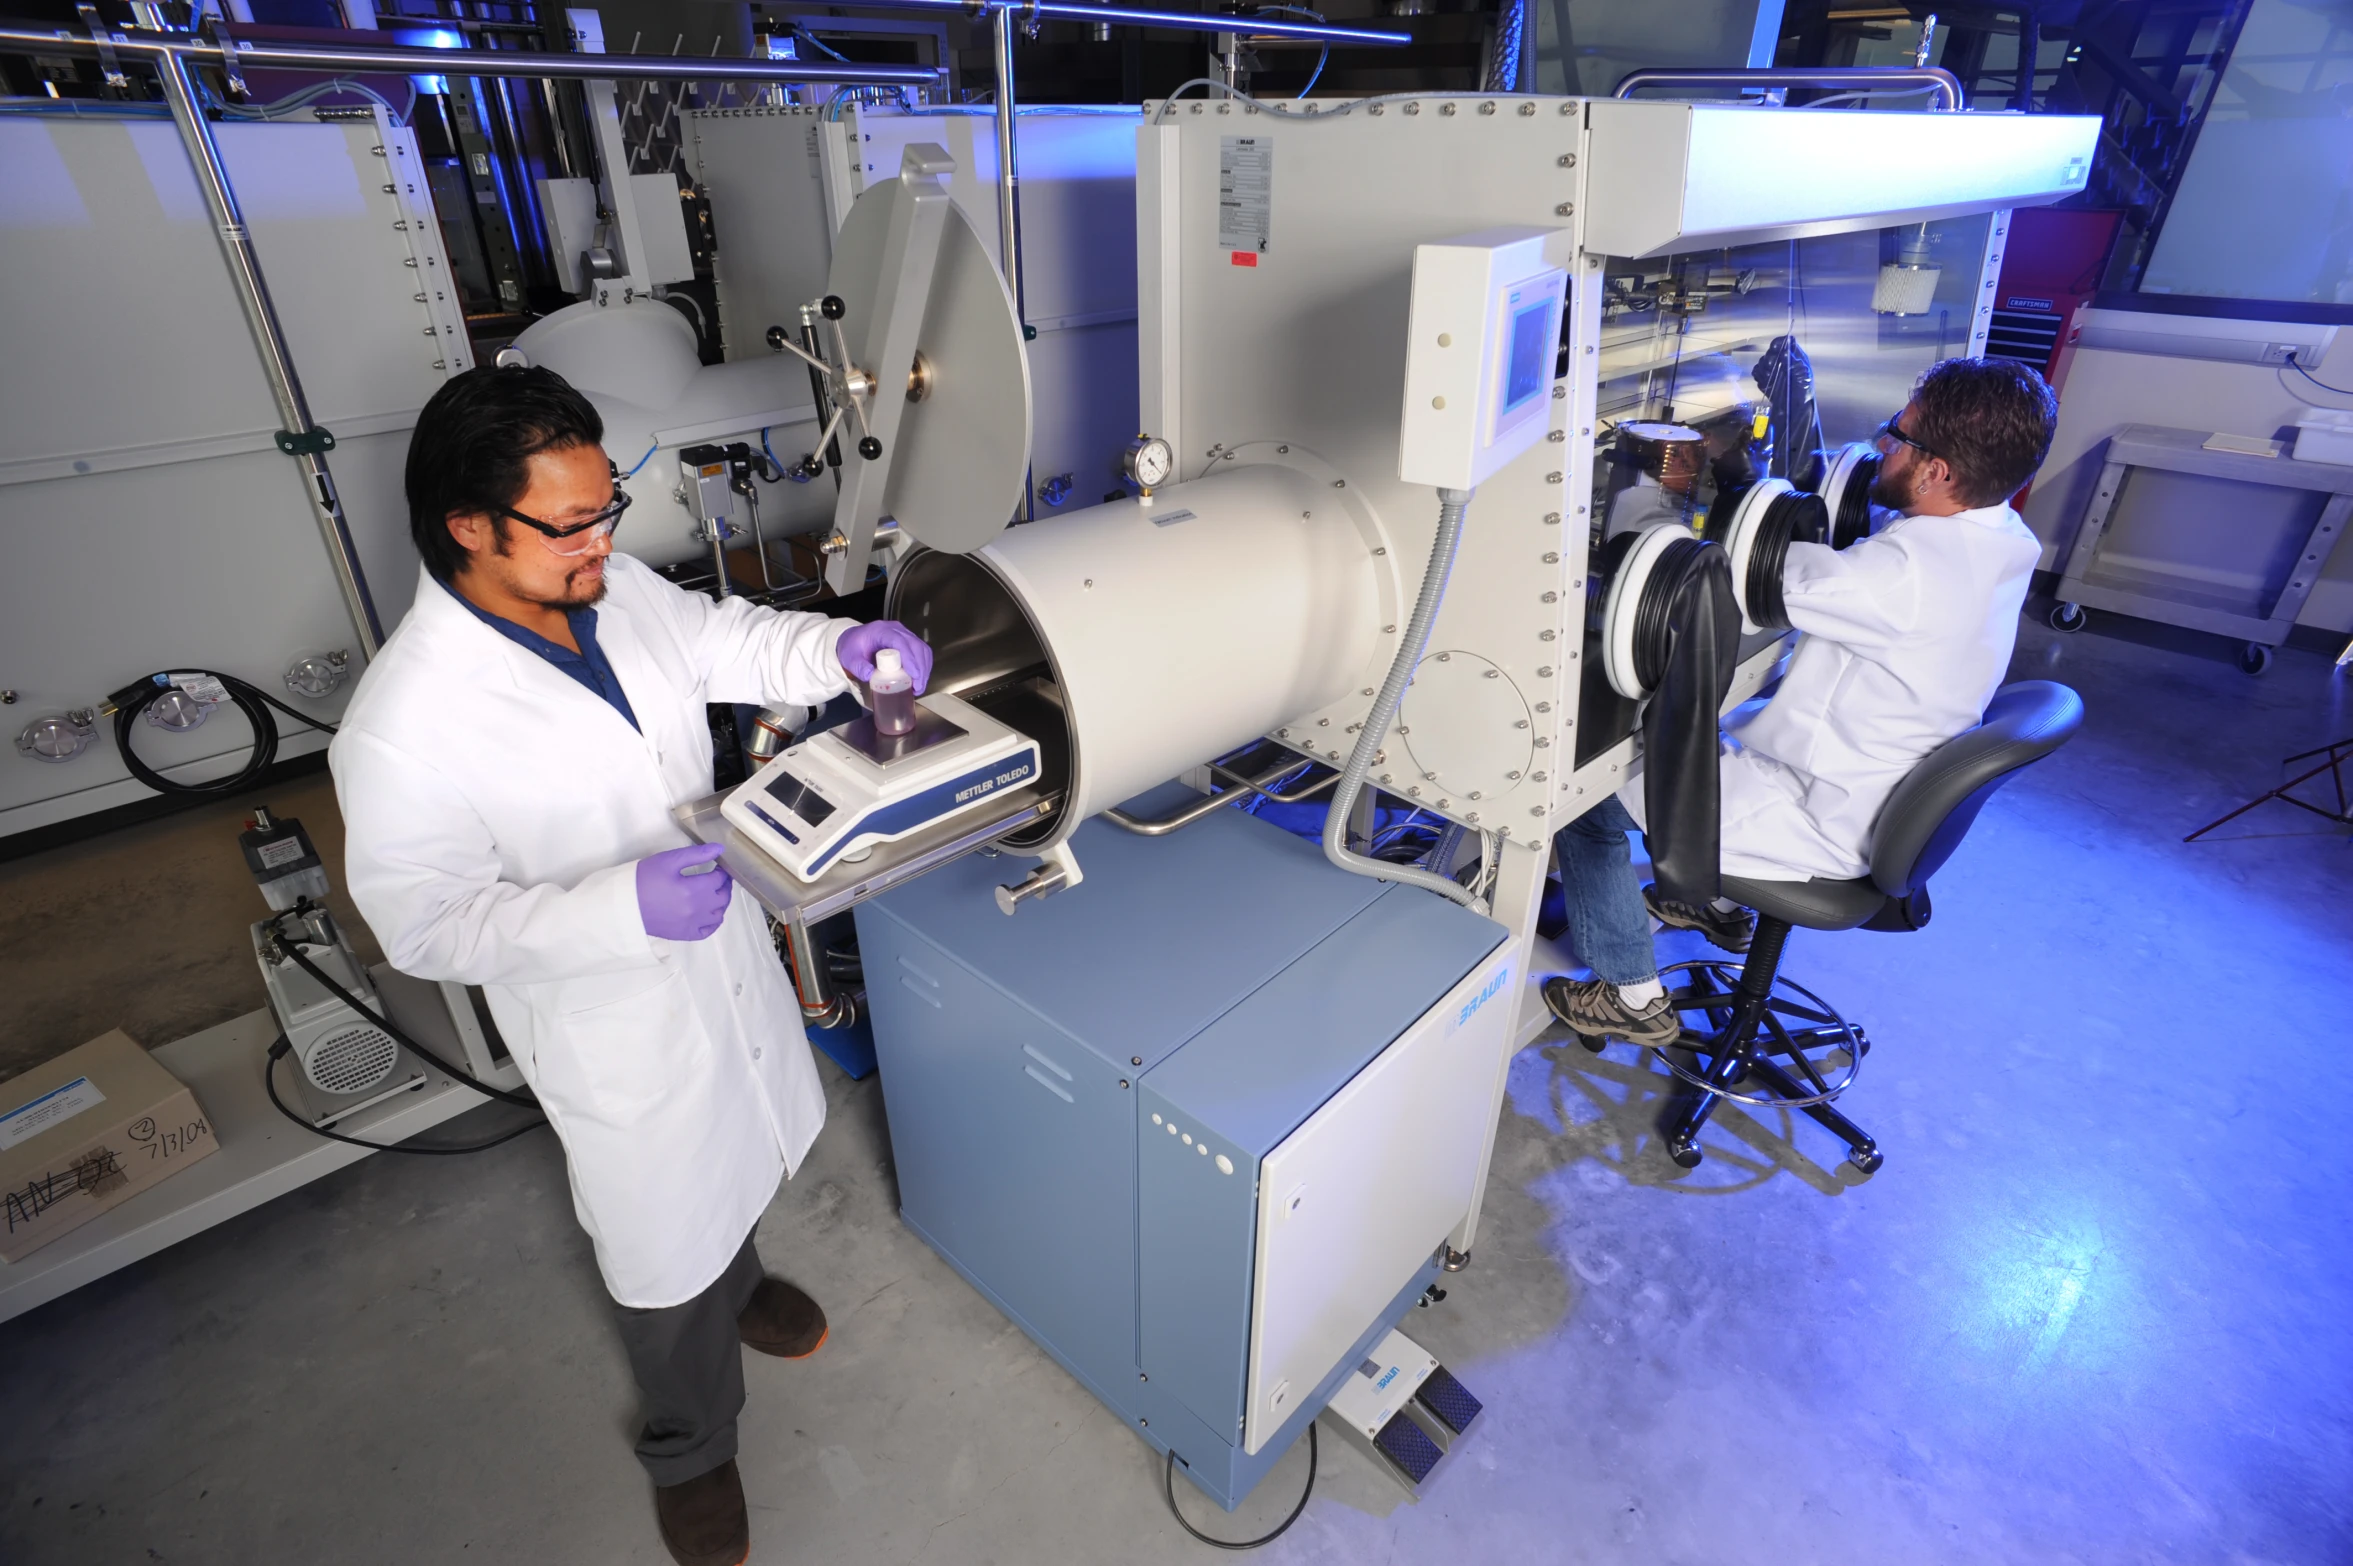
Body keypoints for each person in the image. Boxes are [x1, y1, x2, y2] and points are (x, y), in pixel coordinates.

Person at [330, 366, 933, 1566]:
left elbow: (727, 640)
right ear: (467, 526)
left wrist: (838, 649)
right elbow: (426, 926)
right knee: (660, 1247)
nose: (602, 542)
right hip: (612, 1019)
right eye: (569, 525)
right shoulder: (405, 727)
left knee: (744, 1138)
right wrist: (617, 908)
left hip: (714, 956)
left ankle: (745, 1275)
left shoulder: (614, 587)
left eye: (609, 511)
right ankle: (690, 1446)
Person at [1545, 356, 2059, 1046]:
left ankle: (1630, 994)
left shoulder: (1893, 581)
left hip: (1814, 818)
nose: (1879, 445)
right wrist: (1740, 469)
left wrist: (1680, 490)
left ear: (1937, 472)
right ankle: (1709, 903)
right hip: (1870, 788)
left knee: (1586, 801)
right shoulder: (2004, 540)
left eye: (1896, 437)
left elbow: (1746, 572)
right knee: (1709, 737)